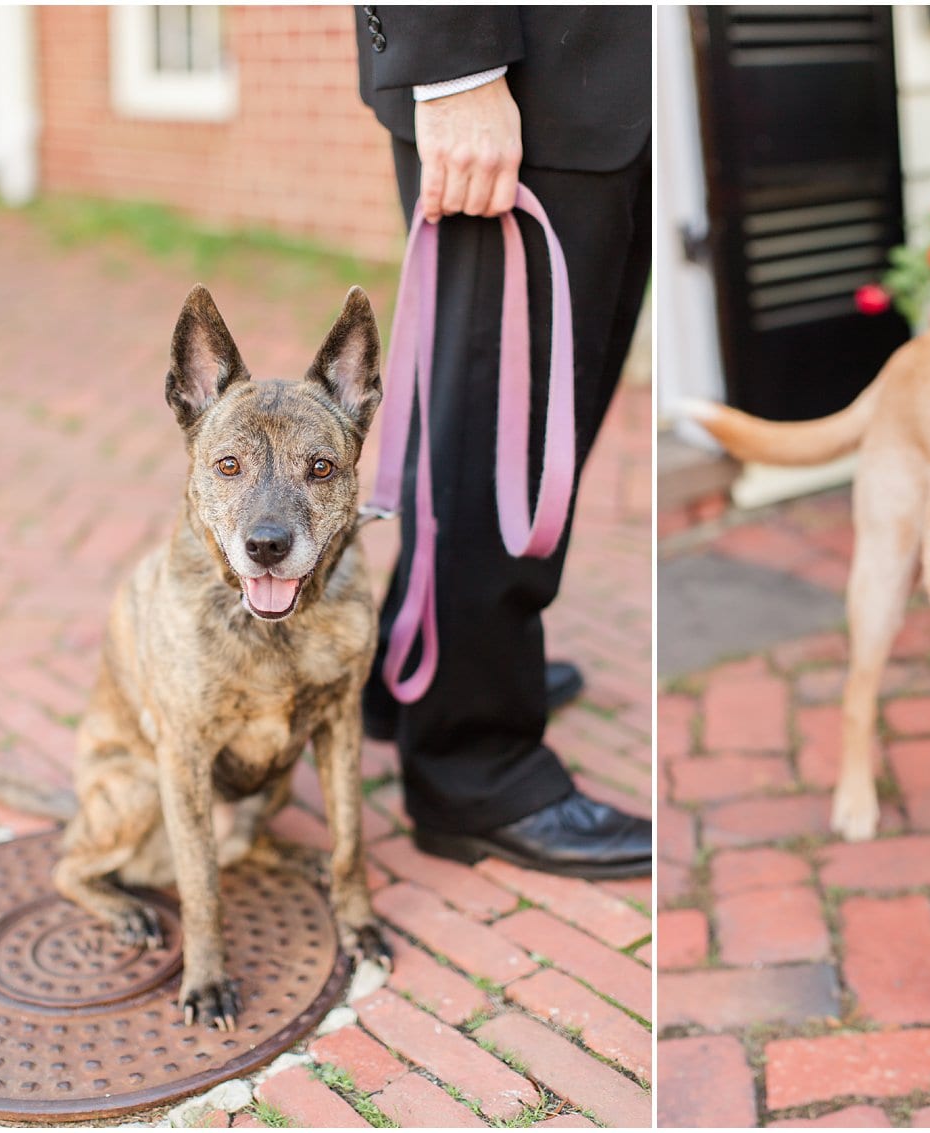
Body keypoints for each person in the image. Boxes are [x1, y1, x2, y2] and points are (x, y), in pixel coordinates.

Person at [354, 7, 652, 878]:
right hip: (519, 74)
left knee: (536, 410)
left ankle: (415, 679)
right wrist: (456, 69)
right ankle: (472, 765)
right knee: (502, 426)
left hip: (604, 83)